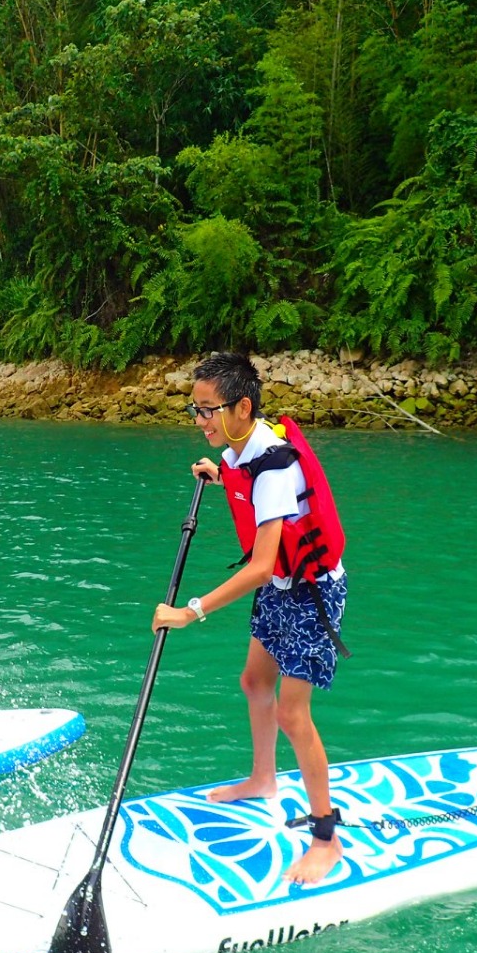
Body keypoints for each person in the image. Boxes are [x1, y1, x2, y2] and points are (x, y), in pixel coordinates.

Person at [152, 351, 350, 885]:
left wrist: (191, 612)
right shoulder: (242, 446)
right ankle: (265, 778)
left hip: (310, 595)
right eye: (193, 410)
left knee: (292, 715)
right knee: (252, 681)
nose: (201, 422)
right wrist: (219, 475)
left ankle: (326, 840)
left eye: (208, 411)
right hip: (283, 588)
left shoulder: (276, 466)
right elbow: (247, 482)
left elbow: (262, 566)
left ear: (242, 407)